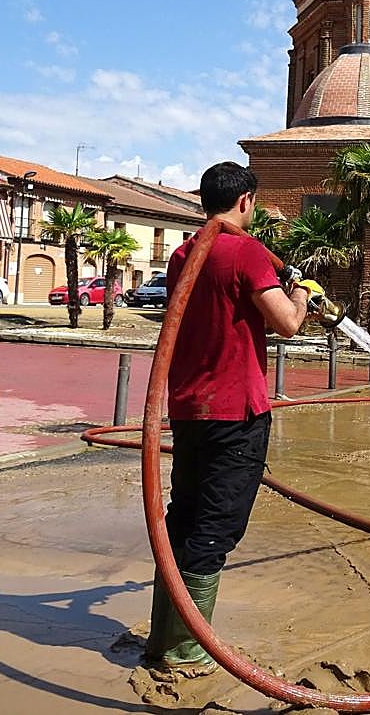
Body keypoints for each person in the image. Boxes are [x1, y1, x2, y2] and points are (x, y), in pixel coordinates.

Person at [144, 161, 324, 677]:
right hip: (237, 410)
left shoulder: (184, 253)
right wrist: (304, 292)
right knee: (215, 528)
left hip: (188, 408)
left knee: (182, 518)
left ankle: (166, 638)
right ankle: (185, 650)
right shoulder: (244, 251)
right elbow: (287, 324)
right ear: (245, 201)